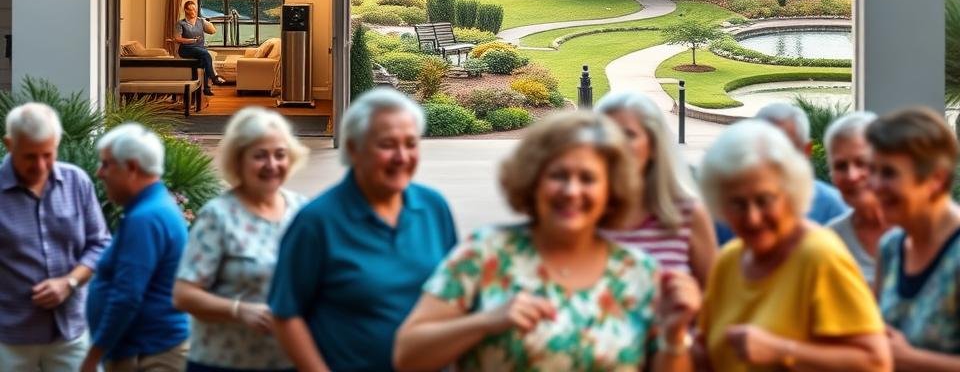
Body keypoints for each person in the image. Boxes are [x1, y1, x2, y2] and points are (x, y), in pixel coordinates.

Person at [394, 111, 701, 372]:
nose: (571, 191)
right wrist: (486, 322)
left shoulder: (639, 272)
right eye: (558, 175)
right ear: (532, 180)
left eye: (588, 179)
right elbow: (406, 354)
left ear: (612, 190)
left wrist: (674, 334)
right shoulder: (486, 253)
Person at [268, 88, 457, 372]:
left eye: (410, 143)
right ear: (354, 148)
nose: (401, 156)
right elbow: (285, 314)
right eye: (387, 145)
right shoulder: (316, 222)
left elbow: (454, 292)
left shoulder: (433, 207)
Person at [698, 118, 890, 372]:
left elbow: (875, 361)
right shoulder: (728, 260)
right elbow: (707, 356)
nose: (752, 218)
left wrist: (779, 351)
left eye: (764, 200)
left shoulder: (819, 255)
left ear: (791, 193)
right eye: (737, 204)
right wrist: (675, 333)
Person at [174, 108, 308, 372]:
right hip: (224, 363)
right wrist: (238, 310)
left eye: (280, 154)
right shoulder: (219, 215)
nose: (272, 164)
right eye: (260, 156)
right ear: (238, 160)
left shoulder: (302, 210)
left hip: (289, 361)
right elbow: (184, 295)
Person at [0, 103, 111, 372]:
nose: (40, 166)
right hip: (8, 337)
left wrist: (69, 282)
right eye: (29, 156)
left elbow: (100, 244)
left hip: (70, 332)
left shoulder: (77, 182)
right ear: (9, 144)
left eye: (47, 155)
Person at [81, 124, 190, 372]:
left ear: (131, 168)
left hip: (147, 355)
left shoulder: (145, 218)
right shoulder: (155, 206)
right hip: (146, 350)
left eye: (107, 164)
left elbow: (127, 296)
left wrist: (93, 356)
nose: (99, 173)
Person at [867, 106, 960, 368]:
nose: (873, 185)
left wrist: (909, 358)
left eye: (888, 173)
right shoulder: (891, 247)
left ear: (936, 179)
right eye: (872, 171)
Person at [595, 90, 718, 287]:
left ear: (653, 146)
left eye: (628, 134)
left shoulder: (688, 215)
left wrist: (693, 304)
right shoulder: (581, 214)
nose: (616, 145)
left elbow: (717, 306)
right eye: (606, 135)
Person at [715, 101, 848, 245]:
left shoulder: (832, 208)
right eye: (767, 148)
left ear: (806, 151)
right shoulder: (727, 212)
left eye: (786, 149)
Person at [825, 111, 888, 284]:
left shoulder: (921, 230)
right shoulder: (830, 240)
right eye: (840, 166)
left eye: (861, 162)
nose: (851, 175)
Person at [173, 0, 225, 96]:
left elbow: (213, 31)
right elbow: (177, 38)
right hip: (186, 49)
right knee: (206, 54)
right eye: (191, 9)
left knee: (205, 61)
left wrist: (208, 23)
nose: (194, 11)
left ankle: (206, 89)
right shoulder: (180, 24)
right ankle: (214, 77)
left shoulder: (201, 21)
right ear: (186, 10)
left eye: (195, 9)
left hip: (199, 49)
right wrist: (191, 41)